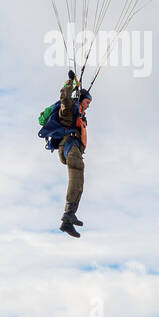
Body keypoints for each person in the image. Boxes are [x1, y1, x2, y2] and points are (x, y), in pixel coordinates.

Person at [57, 70, 91, 237]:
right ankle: (68, 214)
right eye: (86, 102)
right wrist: (70, 82)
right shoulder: (70, 109)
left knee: (80, 183)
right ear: (80, 100)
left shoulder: (81, 117)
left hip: (74, 149)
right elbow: (64, 98)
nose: (88, 105)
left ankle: (68, 220)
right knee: (77, 175)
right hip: (68, 146)